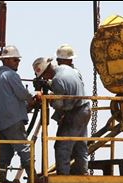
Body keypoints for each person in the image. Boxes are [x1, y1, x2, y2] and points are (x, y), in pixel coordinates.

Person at [32, 44, 91, 175]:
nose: (45, 78)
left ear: (47, 70)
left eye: (44, 76)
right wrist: (48, 85)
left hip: (74, 113)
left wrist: (46, 99)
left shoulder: (57, 80)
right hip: (85, 108)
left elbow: (60, 104)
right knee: (80, 144)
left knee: (62, 146)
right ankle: (82, 172)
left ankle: (63, 175)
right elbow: (68, 86)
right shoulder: (69, 70)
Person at [0, 45, 38, 183]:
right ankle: (33, 177)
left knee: (5, 153)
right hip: (13, 121)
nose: (18, 63)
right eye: (15, 60)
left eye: (18, 60)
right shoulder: (11, 75)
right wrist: (35, 97)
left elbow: (9, 99)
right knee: (24, 148)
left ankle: (0, 179)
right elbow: (22, 94)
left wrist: (25, 106)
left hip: (1, 123)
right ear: (6, 61)